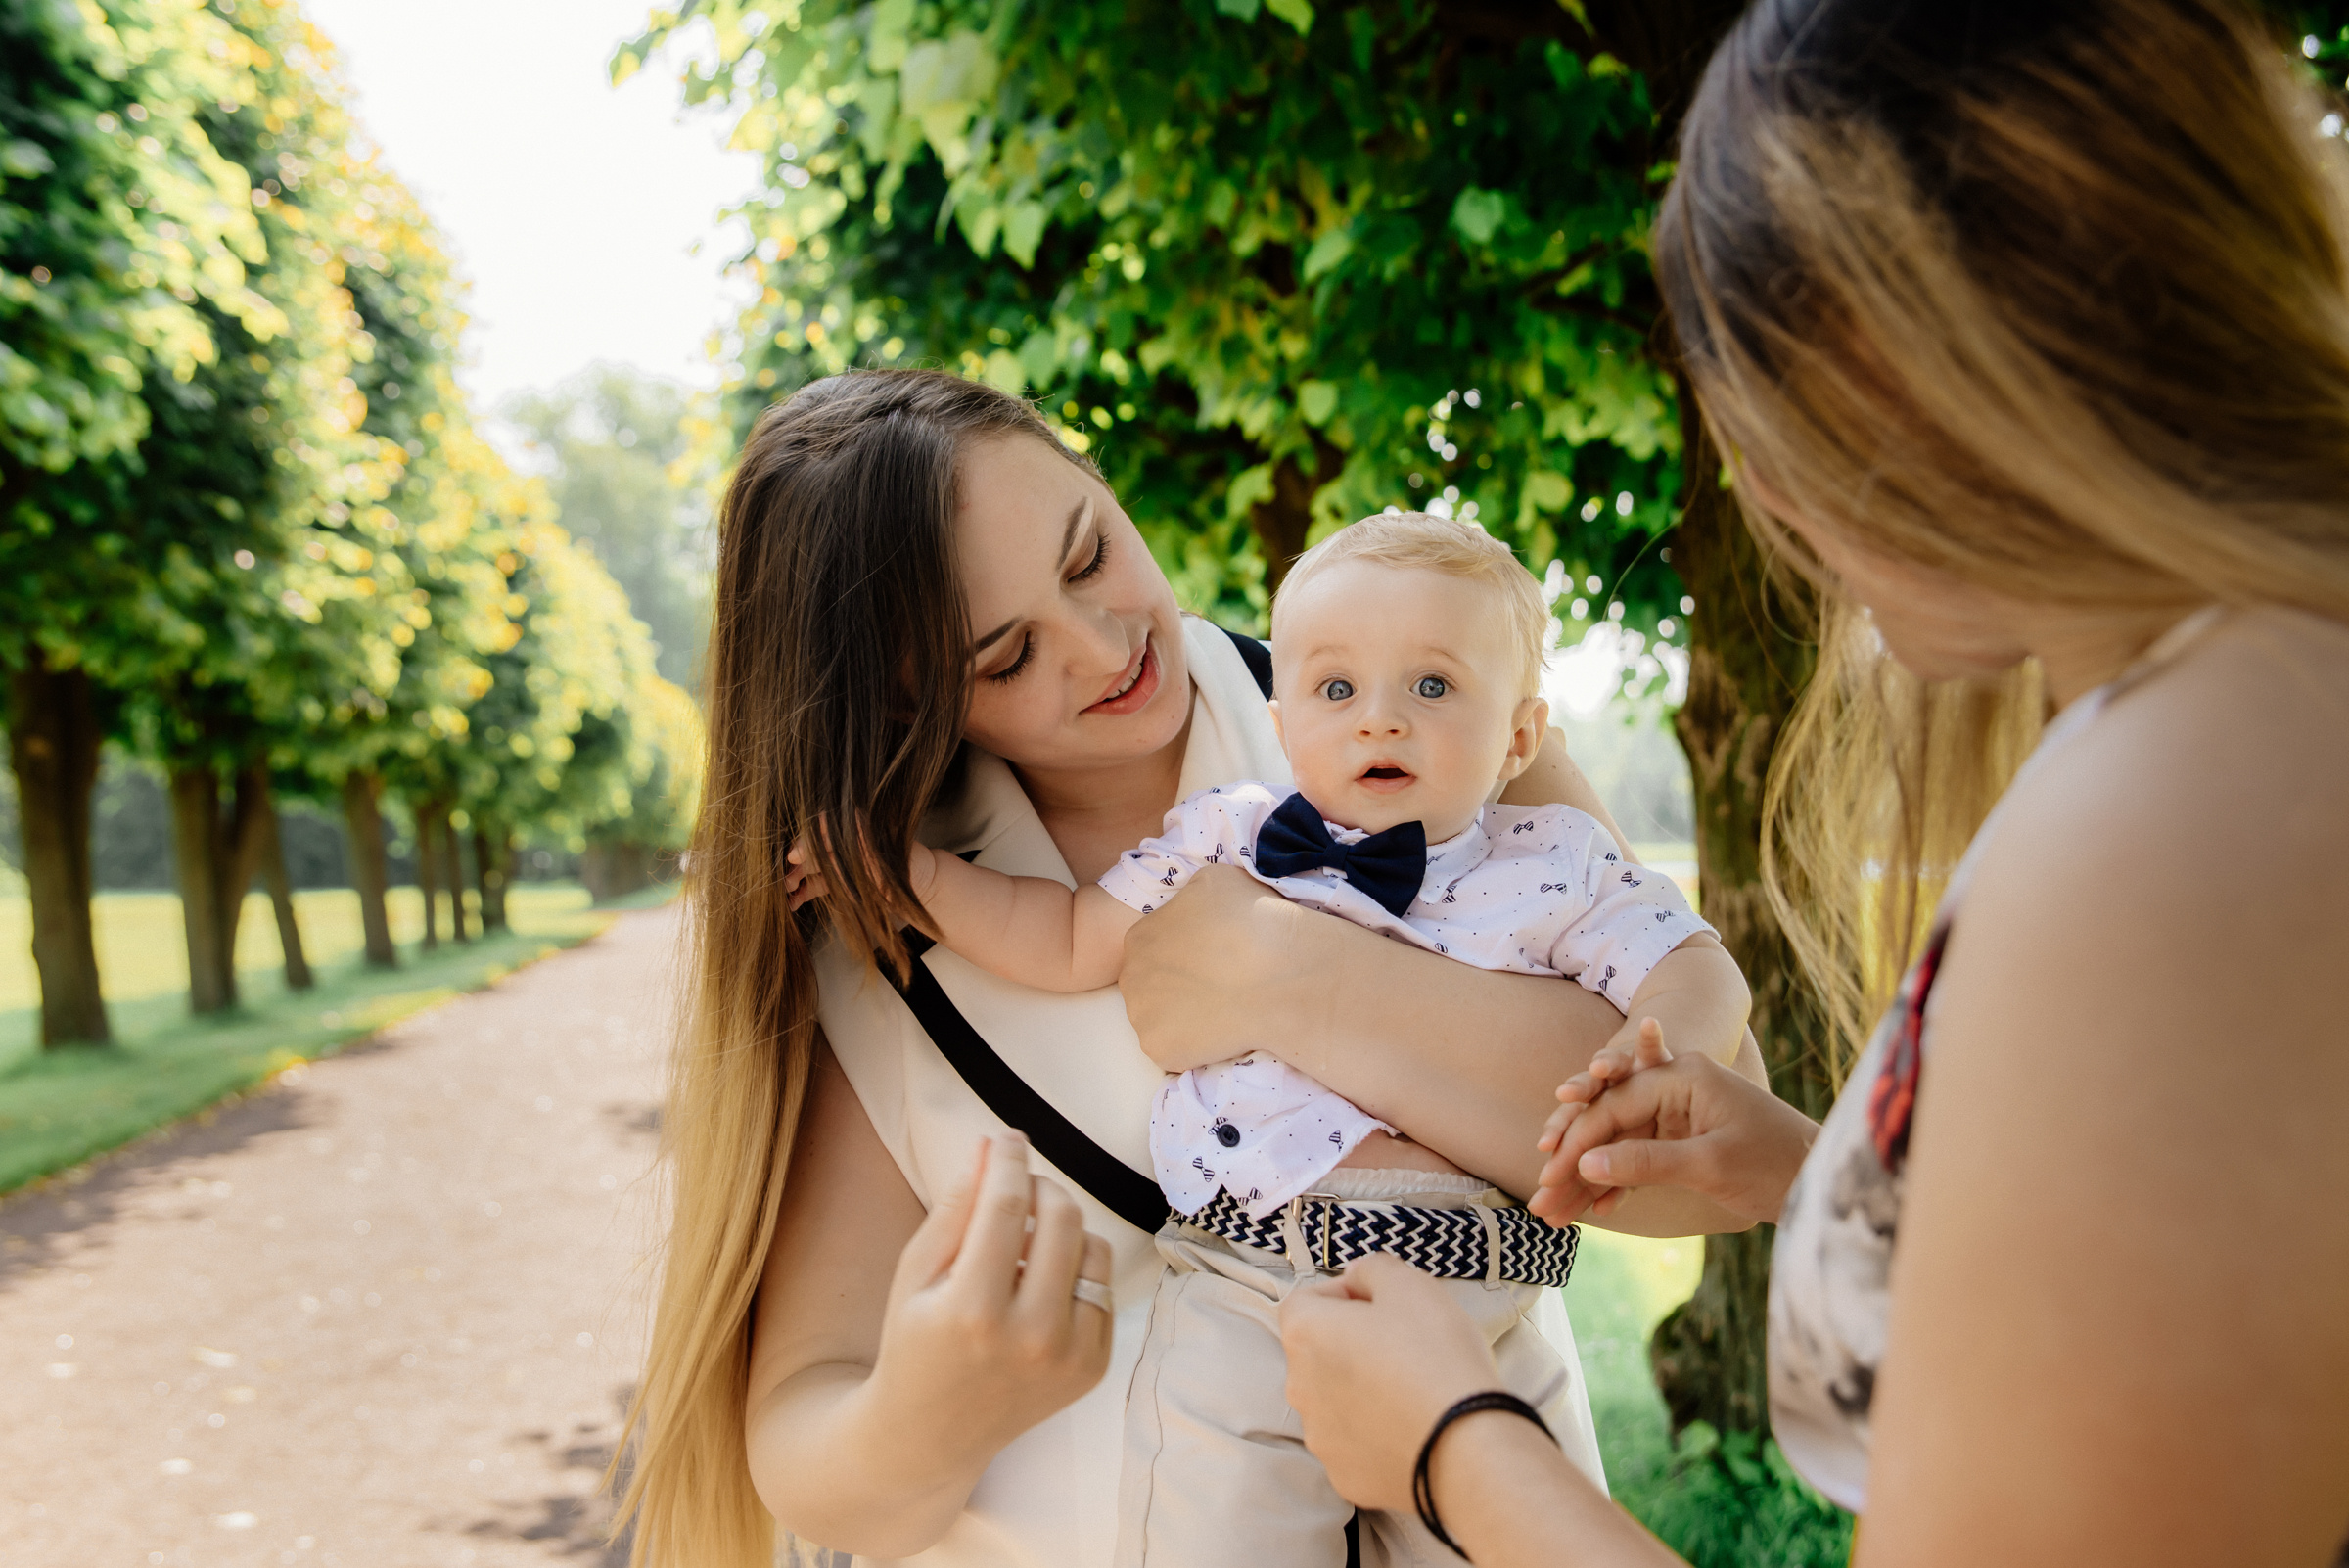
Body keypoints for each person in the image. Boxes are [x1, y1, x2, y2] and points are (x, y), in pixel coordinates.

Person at [1275, 1, 2349, 1564]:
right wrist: (1821, 1172)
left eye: (1761, 417)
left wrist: (1457, 1448)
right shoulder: (2262, 703)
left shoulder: (2174, 816)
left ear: (1904, 377)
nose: (1768, 499)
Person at [612, 369, 1771, 1568]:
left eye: (1088, 555)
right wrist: (929, 1403)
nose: (1106, 645)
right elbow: (805, 1453)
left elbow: (1707, 1167)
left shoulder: (1424, 707)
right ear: (907, 702)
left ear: (1103, 484)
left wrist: (1289, 976)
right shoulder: (883, 935)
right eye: (1006, 657)